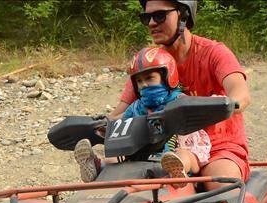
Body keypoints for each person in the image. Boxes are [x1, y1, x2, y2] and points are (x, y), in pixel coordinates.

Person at [108, 0, 251, 191]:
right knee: (112, 182)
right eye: (146, 17)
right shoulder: (150, 64)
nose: (151, 23)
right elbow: (121, 113)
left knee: (221, 185)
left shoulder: (214, 53)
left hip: (218, 148)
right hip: (161, 150)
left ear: (183, 15)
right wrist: (98, 126)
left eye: (159, 15)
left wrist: (225, 104)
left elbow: (240, 93)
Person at [75, 46, 211, 188]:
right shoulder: (136, 107)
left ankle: (177, 171)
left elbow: (196, 116)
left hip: (175, 149)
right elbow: (121, 125)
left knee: (184, 155)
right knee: (115, 158)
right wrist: (104, 128)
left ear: (167, 76)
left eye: (149, 78)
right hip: (140, 156)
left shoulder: (180, 102)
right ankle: (97, 166)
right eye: (139, 81)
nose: (144, 85)